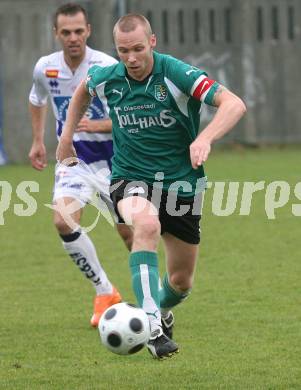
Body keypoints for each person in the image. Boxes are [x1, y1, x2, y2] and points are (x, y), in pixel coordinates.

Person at [56, 14, 246, 359]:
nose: (131, 58)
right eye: (123, 50)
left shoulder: (175, 73)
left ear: (153, 43)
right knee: (145, 224)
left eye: (138, 49)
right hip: (130, 176)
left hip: (182, 184)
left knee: (181, 281)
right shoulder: (108, 76)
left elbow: (234, 104)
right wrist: (66, 138)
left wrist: (204, 137)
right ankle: (152, 327)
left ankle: (160, 308)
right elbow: (82, 91)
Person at [28, 3, 132, 328]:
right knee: (62, 221)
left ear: (88, 30)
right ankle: (105, 291)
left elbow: (129, 118)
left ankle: (153, 302)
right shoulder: (46, 68)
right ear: (56, 33)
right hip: (74, 160)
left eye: (78, 31)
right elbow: (36, 99)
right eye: (66, 32)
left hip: (115, 161)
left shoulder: (107, 66)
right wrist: (38, 141)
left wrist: (95, 125)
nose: (73, 38)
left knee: (131, 236)